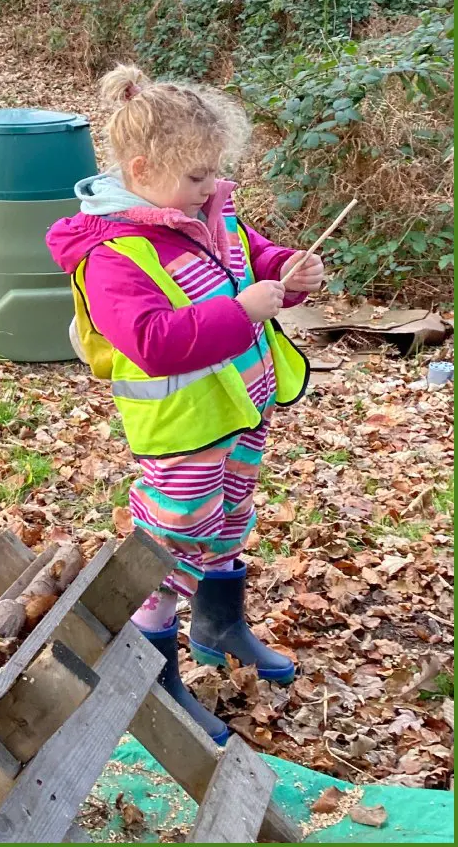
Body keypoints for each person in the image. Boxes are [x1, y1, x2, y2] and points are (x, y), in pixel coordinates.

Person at [46, 65, 324, 744]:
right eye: (197, 177)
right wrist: (241, 311)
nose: (211, 189)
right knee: (171, 546)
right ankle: (155, 679)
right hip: (180, 429)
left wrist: (287, 268)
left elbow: (250, 256)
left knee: (229, 518)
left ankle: (220, 625)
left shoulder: (209, 209)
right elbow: (151, 343)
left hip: (241, 407)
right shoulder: (112, 252)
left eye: (214, 174)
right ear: (141, 168)